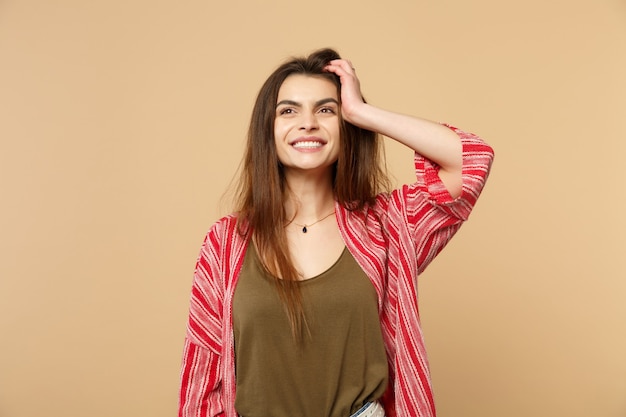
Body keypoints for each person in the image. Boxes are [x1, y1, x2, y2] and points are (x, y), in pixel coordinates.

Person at [178, 48, 494, 417]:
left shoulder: (387, 225)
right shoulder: (226, 243)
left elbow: (470, 160)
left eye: (326, 110)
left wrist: (364, 113)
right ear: (267, 130)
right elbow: (203, 376)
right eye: (288, 110)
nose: (308, 123)